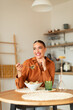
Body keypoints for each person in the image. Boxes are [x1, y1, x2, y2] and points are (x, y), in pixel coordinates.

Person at [10, 40, 56, 110]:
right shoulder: (28, 63)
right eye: (34, 48)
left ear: (45, 49)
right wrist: (19, 72)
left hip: (44, 97)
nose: (37, 51)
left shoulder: (51, 64)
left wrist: (44, 66)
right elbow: (20, 86)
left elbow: (49, 86)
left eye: (39, 48)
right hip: (28, 96)